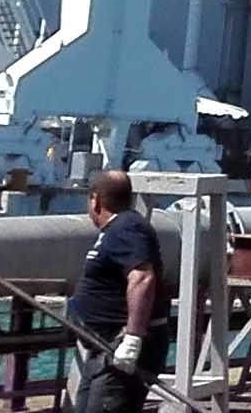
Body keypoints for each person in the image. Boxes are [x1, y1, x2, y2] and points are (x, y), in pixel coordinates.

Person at [66, 175, 170, 413]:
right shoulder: (116, 230)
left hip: (119, 348)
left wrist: (132, 340)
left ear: (95, 201)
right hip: (102, 349)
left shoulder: (127, 227)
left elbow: (142, 277)